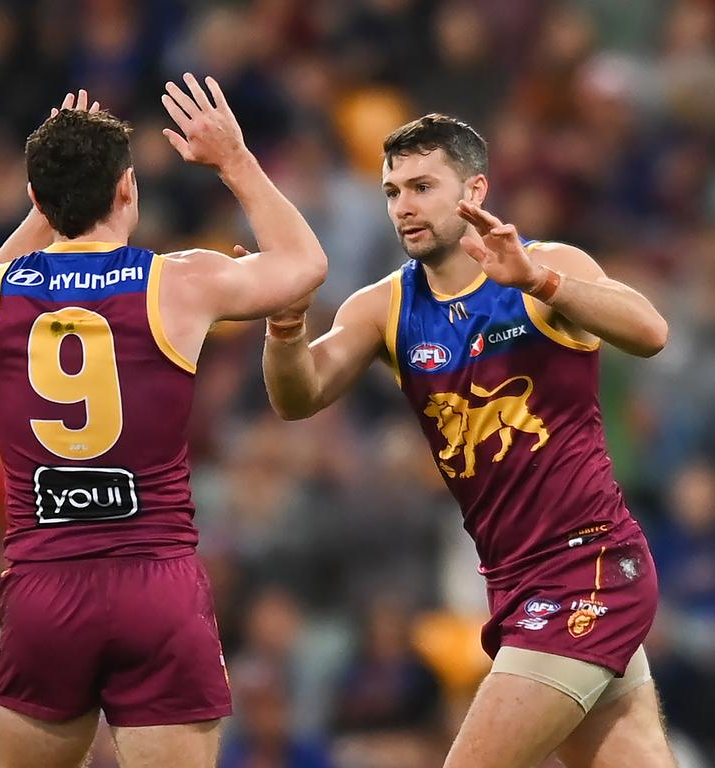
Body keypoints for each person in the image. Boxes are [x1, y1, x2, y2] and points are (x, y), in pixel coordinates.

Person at [260, 113, 675, 768]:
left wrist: (539, 280)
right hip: (513, 579)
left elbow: (651, 332)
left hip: (587, 566)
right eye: (392, 192)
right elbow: (297, 396)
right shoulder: (384, 307)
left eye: (423, 186)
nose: (404, 207)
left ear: (474, 193)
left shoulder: (544, 266)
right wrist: (285, 329)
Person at [0, 77, 327, 768]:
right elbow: (305, 265)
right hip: (155, 584)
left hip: (45, 587)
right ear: (128, 188)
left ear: (35, 198)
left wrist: (55, 185)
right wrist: (235, 161)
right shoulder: (177, 281)